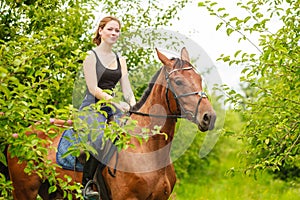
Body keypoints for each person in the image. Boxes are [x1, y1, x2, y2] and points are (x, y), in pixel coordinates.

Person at [79, 16, 136, 196]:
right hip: (92, 106)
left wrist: (135, 107)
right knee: (99, 137)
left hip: (112, 107)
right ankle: (86, 184)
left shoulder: (121, 59)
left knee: (130, 135)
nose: (114, 33)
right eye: (110, 29)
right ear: (100, 31)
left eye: (117, 30)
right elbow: (93, 88)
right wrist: (115, 102)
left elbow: (126, 90)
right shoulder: (91, 56)